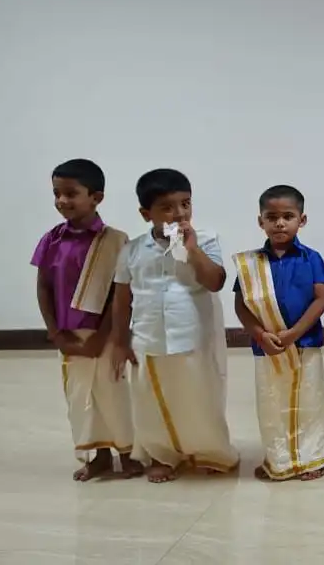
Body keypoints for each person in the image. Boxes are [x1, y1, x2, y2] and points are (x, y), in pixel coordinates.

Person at [109, 168, 238, 483]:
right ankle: (163, 455)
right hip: (148, 337)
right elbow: (122, 299)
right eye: (167, 207)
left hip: (192, 335)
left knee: (198, 396)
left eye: (186, 203)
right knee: (151, 401)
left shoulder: (205, 239)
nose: (179, 213)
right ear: (145, 213)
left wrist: (192, 250)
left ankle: (209, 452)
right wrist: (119, 342)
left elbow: (215, 282)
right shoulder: (132, 250)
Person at [33, 158, 139, 481]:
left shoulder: (116, 241)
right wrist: (55, 333)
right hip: (69, 335)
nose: (62, 201)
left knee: (113, 392)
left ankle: (128, 454)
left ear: (96, 197)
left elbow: (121, 295)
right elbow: (43, 287)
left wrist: (105, 334)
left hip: (106, 335)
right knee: (81, 396)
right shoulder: (51, 239)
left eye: (71, 193)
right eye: (56, 193)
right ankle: (99, 456)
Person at [232, 185, 324, 481]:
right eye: (271, 216)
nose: (279, 223)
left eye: (288, 216)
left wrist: (294, 333)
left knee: (309, 402)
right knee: (272, 403)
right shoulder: (251, 264)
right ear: (260, 221)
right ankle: (279, 459)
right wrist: (261, 335)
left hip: (305, 343)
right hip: (266, 346)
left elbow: (321, 299)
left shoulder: (311, 258)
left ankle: (312, 459)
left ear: (302, 220)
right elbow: (241, 305)